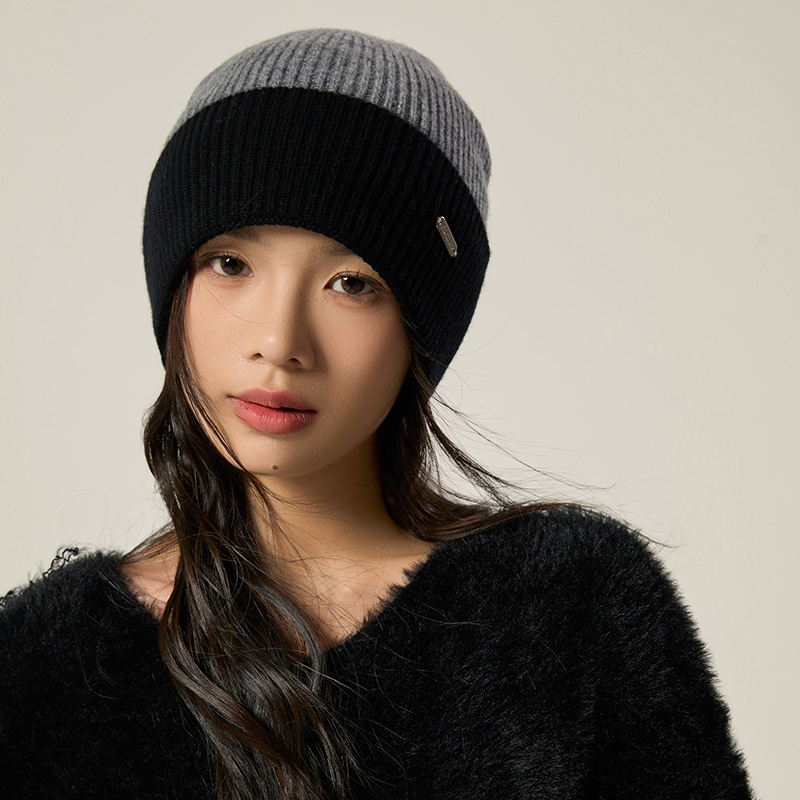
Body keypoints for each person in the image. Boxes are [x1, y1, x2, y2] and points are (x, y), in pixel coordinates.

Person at [0, 28, 753, 800]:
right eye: (230, 264)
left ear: (422, 331)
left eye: (352, 283)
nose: (278, 342)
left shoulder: (569, 611)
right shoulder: (40, 662)